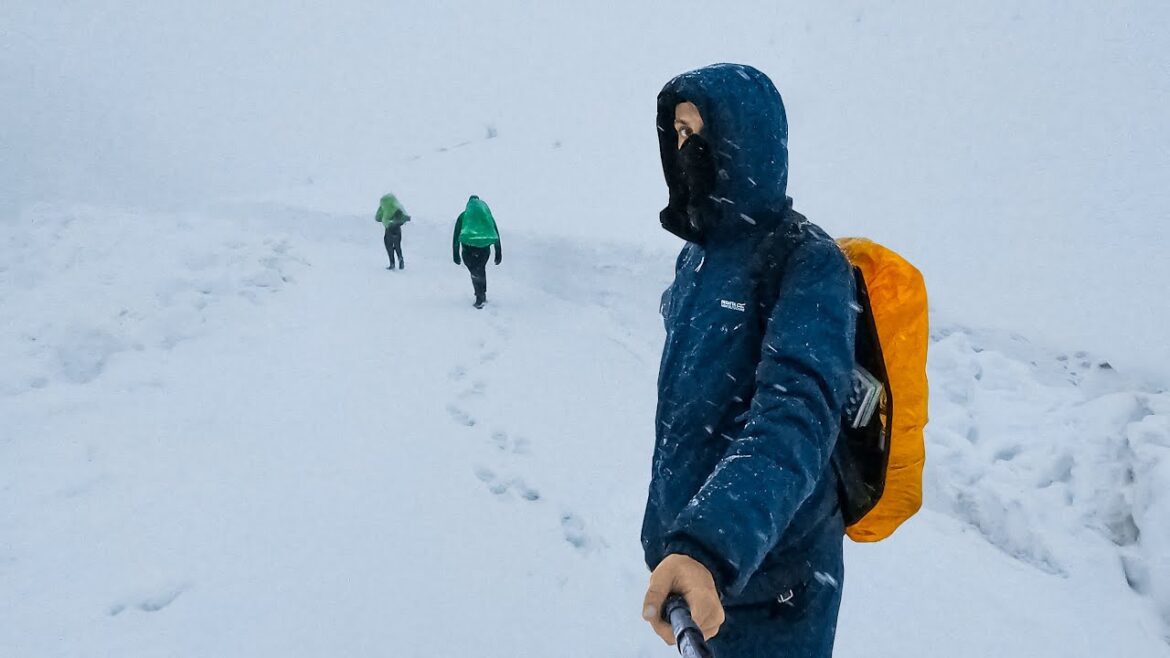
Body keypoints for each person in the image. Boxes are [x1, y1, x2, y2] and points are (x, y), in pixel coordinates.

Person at [640, 64, 857, 658]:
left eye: (700, 133)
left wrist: (710, 545)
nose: (687, 148)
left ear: (746, 140)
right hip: (701, 576)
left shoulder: (807, 262)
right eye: (677, 134)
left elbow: (796, 416)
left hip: (774, 591)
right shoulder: (700, 259)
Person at [452, 195, 502, 308]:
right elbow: (495, 233)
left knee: (474, 271)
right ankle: (482, 293)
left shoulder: (463, 216)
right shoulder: (486, 217)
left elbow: (456, 236)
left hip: (468, 249)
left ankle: (479, 296)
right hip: (484, 249)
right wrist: (498, 252)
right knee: (480, 269)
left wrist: (456, 254)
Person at [375, 193, 411, 270]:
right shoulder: (397, 207)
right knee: (397, 245)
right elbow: (405, 217)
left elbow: (377, 217)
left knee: (389, 246)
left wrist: (384, 218)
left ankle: (392, 263)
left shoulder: (384, 207)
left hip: (389, 230)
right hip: (397, 230)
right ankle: (400, 259)